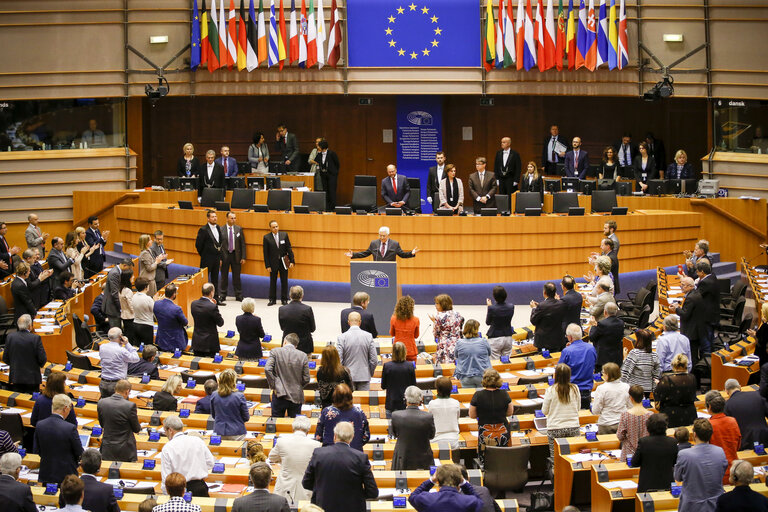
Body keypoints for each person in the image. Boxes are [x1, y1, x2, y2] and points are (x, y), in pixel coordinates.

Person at [302, 421, 379, 511]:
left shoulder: (319, 454)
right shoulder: (361, 458)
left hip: (323, 506)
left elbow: (306, 482)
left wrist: (322, 490)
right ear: (352, 437)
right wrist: (356, 496)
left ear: (334, 436)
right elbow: (373, 492)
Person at [674, 418, 728, 512]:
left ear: (694, 435)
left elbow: (678, 477)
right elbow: (721, 473)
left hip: (692, 507)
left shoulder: (684, 454)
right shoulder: (720, 452)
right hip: (716, 505)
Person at [268, 415, 321, 504]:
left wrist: (283, 460)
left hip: (284, 486)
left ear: (292, 429)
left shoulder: (281, 442)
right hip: (306, 489)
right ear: (308, 431)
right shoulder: (316, 445)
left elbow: (272, 458)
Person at [160, 415, 214, 497]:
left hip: (178, 490)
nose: (165, 434)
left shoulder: (167, 448)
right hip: (199, 487)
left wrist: (166, 494)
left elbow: (166, 477)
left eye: (165, 431)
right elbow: (210, 463)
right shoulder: (197, 440)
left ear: (170, 430)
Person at [34, 394, 82, 484]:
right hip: (67, 476)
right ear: (65, 408)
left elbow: (37, 450)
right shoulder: (70, 428)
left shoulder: (40, 425)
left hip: (46, 473)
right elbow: (79, 452)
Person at [470, 369, 513, 464]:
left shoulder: (478, 395)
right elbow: (510, 412)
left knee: (486, 461)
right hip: (502, 433)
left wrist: (483, 413)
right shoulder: (505, 394)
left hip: (485, 434)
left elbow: (472, 415)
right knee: (502, 459)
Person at [390, 385, 435, 470]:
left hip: (402, 457)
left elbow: (394, 434)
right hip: (423, 458)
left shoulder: (396, 415)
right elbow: (431, 436)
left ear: (405, 399)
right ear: (420, 400)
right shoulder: (428, 417)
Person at [266, 333, 310, 418]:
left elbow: (267, 369)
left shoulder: (275, 352)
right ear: (296, 346)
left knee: (276, 423)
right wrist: (298, 386)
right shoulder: (303, 356)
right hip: (296, 395)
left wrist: (274, 385)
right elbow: (306, 378)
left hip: (279, 394)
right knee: (294, 425)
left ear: (284, 342)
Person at [631, 413, 678, 492]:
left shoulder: (644, 442)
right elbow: (675, 462)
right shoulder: (673, 442)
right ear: (665, 427)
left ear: (648, 427)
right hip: (667, 486)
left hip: (647, 486)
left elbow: (634, 463)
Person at [541, 363, 580, 458]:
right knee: (573, 458)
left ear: (556, 375)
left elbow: (544, 411)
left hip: (555, 428)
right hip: (573, 427)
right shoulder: (575, 388)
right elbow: (578, 408)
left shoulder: (550, 390)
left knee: (556, 459)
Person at [316, 384, 370, 451]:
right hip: (354, 454)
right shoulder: (359, 413)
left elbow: (318, 436)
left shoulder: (326, 412)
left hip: (330, 454)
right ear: (350, 396)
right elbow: (366, 437)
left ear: (334, 396)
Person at [409, 463, 484, 512]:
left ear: (438, 481)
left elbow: (412, 497)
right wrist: (464, 483)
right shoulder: (469, 502)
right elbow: (479, 502)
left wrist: (431, 481)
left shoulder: (426, 499)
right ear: (459, 480)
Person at [670, 276, 709, 366]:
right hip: (697, 328)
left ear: (690, 286)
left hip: (692, 331)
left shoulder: (691, 298)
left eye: (683, 285)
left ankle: (694, 375)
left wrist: (676, 309)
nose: (681, 286)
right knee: (693, 354)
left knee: (692, 355)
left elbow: (685, 314)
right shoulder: (694, 293)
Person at [98, 379, 140, 462]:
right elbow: (136, 429)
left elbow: (102, 424)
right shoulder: (130, 406)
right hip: (125, 450)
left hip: (108, 447)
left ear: (115, 389)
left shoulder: (101, 402)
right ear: (127, 392)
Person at [3, 315, 45, 393]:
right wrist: (35, 367)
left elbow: (5, 358)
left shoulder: (10, 337)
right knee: (31, 402)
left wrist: (15, 365)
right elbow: (42, 359)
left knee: (19, 403)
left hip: (16, 377)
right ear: (30, 326)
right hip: (32, 379)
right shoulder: (35, 338)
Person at [705, 390, 741, 484]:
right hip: (734, 470)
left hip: (716, 472)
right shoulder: (733, 421)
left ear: (709, 407)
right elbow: (738, 445)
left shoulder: (707, 425)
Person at [559, 324, 598, 408]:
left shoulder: (567, 351)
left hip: (571, 391)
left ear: (570, 337)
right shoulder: (591, 348)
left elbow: (560, 371)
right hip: (587, 391)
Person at [337, 311, 377, 391]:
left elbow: (339, 359)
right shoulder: (368, 336)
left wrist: (342, 375)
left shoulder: (342, 338)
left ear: (348, 322)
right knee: (364, 401)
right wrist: (369, 372)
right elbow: (374, 360)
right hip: (364, 376)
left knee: (349, 402)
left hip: (347, 376)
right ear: (360, 322)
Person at [654, 354, 697, 428]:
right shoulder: (692, 378)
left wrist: (659, 385)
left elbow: (658, 400)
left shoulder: (667, 380)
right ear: (686, 365)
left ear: (673, 366)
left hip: (671, 417)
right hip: (689, 416)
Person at [724, 378, 768, 450]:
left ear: (726, 391)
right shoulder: (757, 395)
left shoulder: (727, 405)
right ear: (740, 387)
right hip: (764, 437)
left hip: (745, 442)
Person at [98, 327, 139, 398]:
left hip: (103, 383)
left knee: (106, 406)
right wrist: (127, 344)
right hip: (118, 385)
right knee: (121, 407)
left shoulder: (102, 347)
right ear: (121, 336)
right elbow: (136, 358)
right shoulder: (121, 350)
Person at [591, 363, 630, 434]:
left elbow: (595, 410)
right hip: (623, 423)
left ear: (608, 375)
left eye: (603, 373)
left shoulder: (601, 389)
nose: (602, 374)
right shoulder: (626, 387)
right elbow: (630, 406)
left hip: (606, 424)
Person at [210, 368, 249, 439]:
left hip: (219, 432)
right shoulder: (239, 396)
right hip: (237, 433)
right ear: (234, 381)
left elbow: (213, 415)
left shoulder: (214, 395)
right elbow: (246, 417)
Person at [617, 384, 652, 462]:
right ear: (643, 396)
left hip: (629, 453)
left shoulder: (625, 415)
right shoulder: (651, 415)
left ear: (631, 398)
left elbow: (620, 436)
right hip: (646, 452)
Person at [263, 220, 295, 306]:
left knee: (284, 281)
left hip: (283, 262)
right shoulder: (266, 238)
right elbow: (265, 253)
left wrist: (292, 261)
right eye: (273, 227)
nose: (275, 228)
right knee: (273, 281)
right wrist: (267, 265)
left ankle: (284, 299)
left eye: (276, 226)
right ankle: (272, 299)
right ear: (270, 228)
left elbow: (289, 248)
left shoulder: (284, 235)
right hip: (273, 263)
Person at [382, 342, 416, 417]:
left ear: (393, 352)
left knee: (390, 427)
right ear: (405, 352)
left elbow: (383, 386)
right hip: (405, 404)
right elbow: (413, 385)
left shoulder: (387, 366)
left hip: (391, 403)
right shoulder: (410, 366)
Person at [454, 319, 492, 388]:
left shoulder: (459, 343)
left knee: (469, 397)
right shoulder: (483, 341)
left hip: (465, 375)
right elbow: (489, 353)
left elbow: (456, 356)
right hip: (482, 374)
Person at [620, 329, 660, 395]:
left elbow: (625, 372)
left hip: (634, 389)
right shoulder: (654, 355)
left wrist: (625, 357)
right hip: (647, 389)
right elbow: (656, 373)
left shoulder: (634, 353)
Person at [346, 225, 419, 261]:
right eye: (380, 235)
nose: (381, 237)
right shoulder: (374, 243)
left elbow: (402, 255)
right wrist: (353, 254)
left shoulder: (395, 244)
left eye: (384, 236)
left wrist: (411, 253)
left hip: (390, 270)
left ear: (388, 235)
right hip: (377, 270)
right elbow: (365, 253)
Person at [530, 282, 567, 352]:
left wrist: (534, 308)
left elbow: (533, 321)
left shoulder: (542, 306)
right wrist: (539, 307)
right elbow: (551, 309)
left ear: (544, 293)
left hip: (545, 342)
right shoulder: (561, 303)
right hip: (558, 339)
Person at [278, 285, 316, 355]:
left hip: (287, 345)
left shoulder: (282, 309)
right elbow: (312, 329)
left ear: (290, 295)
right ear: (302, 295)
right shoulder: (307, 309)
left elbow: (282, 328)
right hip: (304, 347)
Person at [190, 282, 224, 358]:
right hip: (210, 345)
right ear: (212, 293)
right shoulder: (212, 307)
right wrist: (214, 306)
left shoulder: (193, 304)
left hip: (197, 342)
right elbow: (220, 323)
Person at [589, 302, 624, 369]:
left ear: (605, 312)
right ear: (616, 312)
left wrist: (593, 325)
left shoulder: (602, 324)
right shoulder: (621, 323)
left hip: (603, 359)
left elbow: (591, 337)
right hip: (616, 357)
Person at [153, 284, 188, 353]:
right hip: (175, 341)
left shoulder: (156, 304)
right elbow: (185, 322)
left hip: (161, 338)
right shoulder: (177, 309)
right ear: (174, 294)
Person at [430, 294, 464, 364]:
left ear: (443, 304)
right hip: (458, 343)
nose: (435, 305)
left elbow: (436, 334)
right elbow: (460, 329)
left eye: (437, 303)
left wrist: (434, 322)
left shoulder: (439, 317)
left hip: (445, 345)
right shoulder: (458, 314)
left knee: (445, 367)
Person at [219, 211, 246, 302]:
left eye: (235, 218)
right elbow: (218, 245)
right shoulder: (221, 229)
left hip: (236, 255)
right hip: (224, 256)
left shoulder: (239, 229)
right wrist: (219, 258)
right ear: (227, 219)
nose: (234, 220)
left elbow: (242, 244)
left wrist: (243, 257)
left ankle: (238, 294)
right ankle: (222, 294)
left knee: (237, 276)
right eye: (232, 218)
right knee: (224, 276)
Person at [428, 376, 461, 449]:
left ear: (437, 390)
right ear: (451, 389)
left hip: (436, 440)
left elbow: (430, 422)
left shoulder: (432, 404)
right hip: (453, 441)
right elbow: (457, 418)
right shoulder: (456, 403)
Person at [101, 258, 133, 329]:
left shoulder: (117, 271)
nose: (129, 270)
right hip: (112, 307)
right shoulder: (115, 273)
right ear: (124, 265)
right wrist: (120, 307)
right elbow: (114, 293)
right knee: (116, 330)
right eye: (129, 268)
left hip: (114, 306)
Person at [485, 285, 515, 360]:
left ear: (494, 297)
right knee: (506, 362)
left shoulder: (492, 308)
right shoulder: (511, 306)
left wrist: (489, 307)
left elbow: (488, 322)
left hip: (495, 338)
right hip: (508, 337)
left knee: (495, 363)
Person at [195, 209, 222, 291]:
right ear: (208, 219)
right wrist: (204, 255)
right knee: (204, 280)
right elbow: (198, 245)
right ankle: (204, 298)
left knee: (215, 278)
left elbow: (220, 242)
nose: (215, 218)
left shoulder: (218, 227)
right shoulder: (203, 230)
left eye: (215, 216)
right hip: (206, 258)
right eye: (213, 217)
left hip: (216, 258)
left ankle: (216, 297)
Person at [389, 295, 420, 361]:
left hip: (397, 350)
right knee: (411, 370)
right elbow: (416, 336)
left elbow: (392, 334)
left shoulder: (393, 318)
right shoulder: (416, 320)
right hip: (411, 350)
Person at [316, 140, 340, 211]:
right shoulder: (319, 154)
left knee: (332, 191)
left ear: (322, 147)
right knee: (325, 191)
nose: (318, 147)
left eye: (319, 146)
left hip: (332, 175)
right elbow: (317, 161)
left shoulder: (332, 153)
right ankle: (327, 208)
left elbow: (337, 164)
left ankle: (333, 208)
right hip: (323, 175)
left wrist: (335, 172)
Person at [131, 277, 155, 347]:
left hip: (135, 324)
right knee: (148, 348)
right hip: (146, 326)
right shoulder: (148, 299)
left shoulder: (134, 296)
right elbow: (154, 310)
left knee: (138, 347)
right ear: (145, 287)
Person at [118, 270, 135, 342]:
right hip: (130, 316)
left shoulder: (120, 289)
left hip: (123, 315)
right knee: (130, 335)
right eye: (132, 276)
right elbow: (131, 305)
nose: (134, 277)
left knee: (126, 333)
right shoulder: (128, 291)